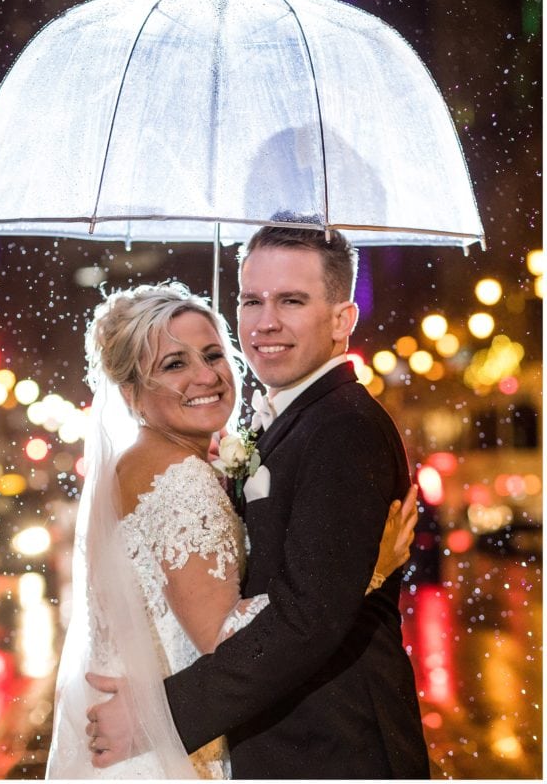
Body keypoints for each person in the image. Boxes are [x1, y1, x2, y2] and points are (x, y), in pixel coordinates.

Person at [86, 226, 431, 779]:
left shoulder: (342, 425)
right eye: (252, 300)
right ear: (132, 392)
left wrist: (160, 715)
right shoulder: (259, 435)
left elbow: (306, 619)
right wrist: (358, 577)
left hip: (334, 751)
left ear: (342, 319)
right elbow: (293, 606)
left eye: (291, 301)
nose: (265, 322)